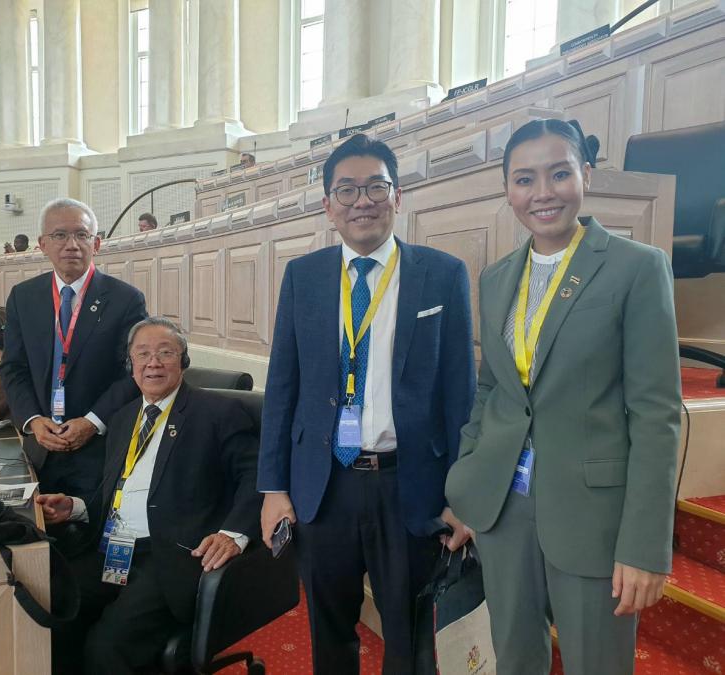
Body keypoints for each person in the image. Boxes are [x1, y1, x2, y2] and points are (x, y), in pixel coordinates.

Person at [445, 119, 682, 675]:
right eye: (524, 179)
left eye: (559, 173)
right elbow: (491, 388)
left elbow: (657, 415)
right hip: (504, 507)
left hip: (592, 512)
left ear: (586, 176)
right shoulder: (497, 278)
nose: (542, 192)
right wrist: (471, 478)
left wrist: (644, 545)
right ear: (508, 189)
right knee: (514, 659)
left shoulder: (636, 267)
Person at [257, 133, 476, 674]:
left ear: (397, 196)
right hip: (322, 484)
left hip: (410, 485)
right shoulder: (303, 276)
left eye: (376, 187)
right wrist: (273, 488)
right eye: (347, 190)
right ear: (328, 204)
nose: (363, 201)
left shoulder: (442, 273)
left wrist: (462, 495)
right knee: (329, 630)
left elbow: (460, 394)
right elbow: (282, 387)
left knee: (408, 635)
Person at [36, 317, 260, 674]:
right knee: (52, 611)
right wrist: (76, 508)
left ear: (183, 361)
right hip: (114, 549)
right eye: (142, 354)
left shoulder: (217, 413)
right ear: (131, 365)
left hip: (169, 556)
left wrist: (233, 533)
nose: (153, 363)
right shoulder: (123, 418)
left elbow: (256, 477)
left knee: (107, 647)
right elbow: (119, 490)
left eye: (165, 353)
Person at [2, 197, 147, 500]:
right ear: (43, 244)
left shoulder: (125, 299)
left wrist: (92, 422)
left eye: (82, 235)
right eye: (60, 235)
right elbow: (14, 368)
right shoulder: (23, 297)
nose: (72, 245)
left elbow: (134, 373)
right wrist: (32, 420)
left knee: (86, 524)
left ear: (97, 244)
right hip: (40, 447)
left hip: (98, 449)